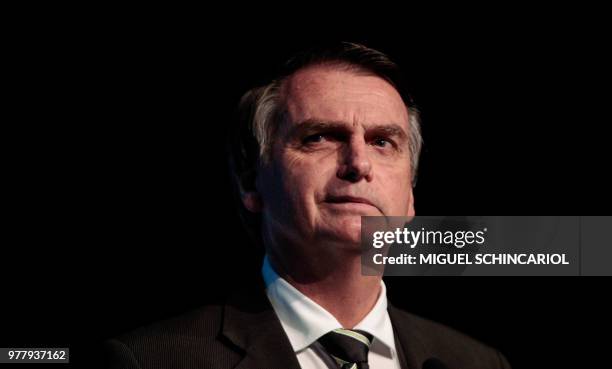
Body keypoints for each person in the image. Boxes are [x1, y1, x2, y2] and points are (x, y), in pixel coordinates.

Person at [104, 42, 511, 369]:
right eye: (319, 137)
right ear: (251, 182)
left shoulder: (477, 361)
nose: (359, 164)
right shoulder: (153, 360)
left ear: (410, 196)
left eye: (382, 142)